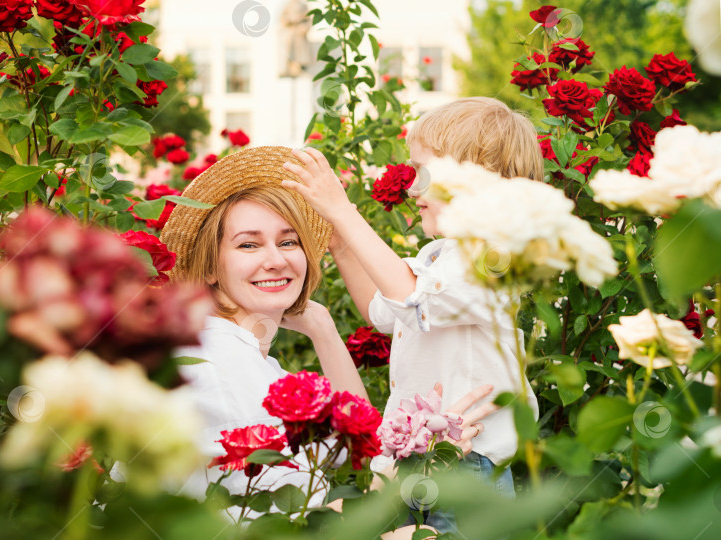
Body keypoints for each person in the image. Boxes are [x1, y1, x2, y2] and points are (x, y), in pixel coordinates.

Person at [160, 146, 495, 534]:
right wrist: (415, 468)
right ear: (210, 267)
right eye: (248, 244)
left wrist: (322, 328)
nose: (276, 260)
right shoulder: (220, 367)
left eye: (288, 242)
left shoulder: (248, 360)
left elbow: (364, 439)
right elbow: (294, 529)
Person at [281, 98, 544, 516]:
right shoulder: (441, 255)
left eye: (425, 174)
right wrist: (341, 244)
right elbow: (382, 308)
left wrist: (343, 211)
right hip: (427, 458)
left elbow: (410, 297)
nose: (412, 188)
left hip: (468, 467)